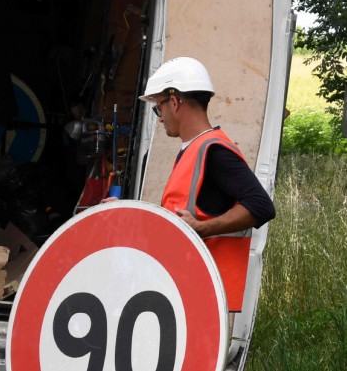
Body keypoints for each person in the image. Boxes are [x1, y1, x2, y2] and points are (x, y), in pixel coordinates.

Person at [112, 57, 275, 313]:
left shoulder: (215, 151)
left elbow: (261, 206)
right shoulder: (193, 151)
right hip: (187, 287)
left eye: (159, 108)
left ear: (174, 101)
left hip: (207, 293)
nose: (160, 117)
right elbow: (176, 221)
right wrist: (125, 210)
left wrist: (202, 228)